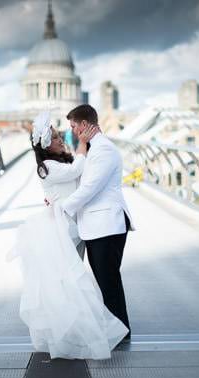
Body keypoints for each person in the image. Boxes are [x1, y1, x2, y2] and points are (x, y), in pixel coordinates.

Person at [8, 111, 128, 360]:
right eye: (54, 137)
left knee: (74, 279)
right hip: (64, 227)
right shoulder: (48, 167)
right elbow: (77, 173)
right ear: (44, 145)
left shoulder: (62, 159)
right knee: (69, 280)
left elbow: (80, 178)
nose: (61, 137)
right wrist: (83, 145)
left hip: (76, 225)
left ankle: (81, 327)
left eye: (59, 133)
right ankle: (72, 331)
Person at [61, 104, 135, 342]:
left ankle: (121, 332)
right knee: (106, 280)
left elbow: (90, 187)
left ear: (83, 125)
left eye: (73, 126)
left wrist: (63, 208)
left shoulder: (103, 149)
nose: (71, 131)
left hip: (106, 225)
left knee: (108, 280)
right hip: (98, 226)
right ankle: (117, 329)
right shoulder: (94, 148)